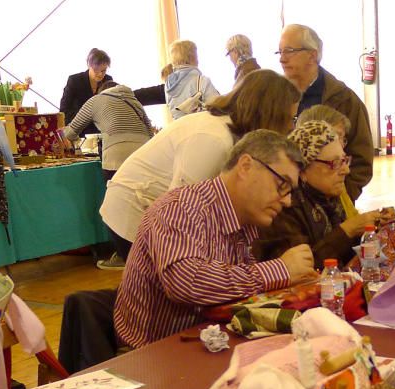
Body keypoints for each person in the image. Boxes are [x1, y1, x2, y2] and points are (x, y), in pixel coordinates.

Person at [113, 130, 314, 349]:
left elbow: (237, 295)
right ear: (246, 166)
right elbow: (185, 283)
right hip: (152, 356)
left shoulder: (246, 219)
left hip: (207, 342)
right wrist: (279, 271)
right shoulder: (180, 208)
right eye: (282, 185)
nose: (287, 201)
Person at [100, 69, 299, 260]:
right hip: (131, 211)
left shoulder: (224, 131)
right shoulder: (214, 138)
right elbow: (180, 209)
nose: (291, 127)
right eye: (289, 119)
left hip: (145, 207)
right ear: (270, 113)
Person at [253, 120, 380, 268]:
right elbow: (302, 269)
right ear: (303, 170)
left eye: (345, 160)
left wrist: (370, 230)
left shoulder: (331, 199)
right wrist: (347, 230)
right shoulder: (285, 206)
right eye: (334, 163)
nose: (346, 170)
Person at [63, 80, 154, 270]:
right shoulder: (134, 101)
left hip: (116, 157)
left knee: (116, 208)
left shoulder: (96, 100)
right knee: (145, 206)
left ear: (100, 91)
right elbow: (149, 130)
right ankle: (150, 251)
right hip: (144, 156)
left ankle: (123, 255)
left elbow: (71, 132)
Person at [277, 24, 373, 200]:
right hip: (285, 206)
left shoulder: (344, 100)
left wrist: (339, 199)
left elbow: (362, 161)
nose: (282, 59)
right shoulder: (275, 98)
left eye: (289, 51)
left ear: (312, 55)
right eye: (280, 52)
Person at [165, 40, 220, 120]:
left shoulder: (168, 84)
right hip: (200, 128)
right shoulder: (202, 81)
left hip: (179, 129)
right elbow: (217, 108)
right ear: (192, 57)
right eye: (196, 55)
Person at [59, 48, 112, 133]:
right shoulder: (75, 80)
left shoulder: (108, 80)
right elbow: (64, 111)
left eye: (103, 70)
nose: (100, 74)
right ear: (88, 65)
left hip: (101, 131)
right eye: (96, 70)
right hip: (79, 130)